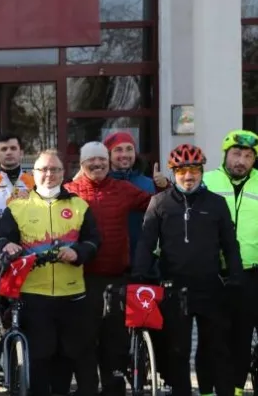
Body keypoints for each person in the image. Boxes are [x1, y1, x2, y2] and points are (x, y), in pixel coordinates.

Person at [133, 144, 241, 396]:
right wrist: (139, 274)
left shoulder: (216, 203)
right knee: (177, 349)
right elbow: (146, 243)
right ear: (173, 173)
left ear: (202, 171)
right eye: (182, 171)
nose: (188, 176)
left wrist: (235, 275)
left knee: (216, 347)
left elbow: (230, 244)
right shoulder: (159, 203)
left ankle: (213, 391)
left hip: (210, 286)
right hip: (174, 287)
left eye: (193, 170)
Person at [0, 149, 101, 396]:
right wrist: (6, 245)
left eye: (55, 169)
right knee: (39, 360)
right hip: (33, 295)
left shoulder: (79, 205)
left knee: (67, 358)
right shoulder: (17, 207)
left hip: (72, 295)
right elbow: (0, 238)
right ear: (34, 173)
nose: (49, 174)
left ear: (63, 173)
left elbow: (94, 241)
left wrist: (79, 253)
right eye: (43, 169)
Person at [63, 142, 158, 395]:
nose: (97, 165)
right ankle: (87, 389)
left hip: (118, 278)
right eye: (91, 161)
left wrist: (164, 186)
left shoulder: (124, 189)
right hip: (82, 279)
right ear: (81, 165)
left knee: (115, 342)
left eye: (102, 160)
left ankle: (114, 389)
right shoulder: (69, 191)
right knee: (85, 340)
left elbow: (156, 204)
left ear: (108, 162)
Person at [199, 130, 258, 396]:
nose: (241, 161)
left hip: (249, 273)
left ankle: (235, 389)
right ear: (225, 154)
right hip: (211, 272)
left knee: (241, 336)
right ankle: (207, 390)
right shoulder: (207, 180)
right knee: (210, 337)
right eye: (237, 154)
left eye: (248, 156)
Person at [103, 132, 168, 260]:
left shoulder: (149, 184)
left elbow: (167, 214)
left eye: (129, 149)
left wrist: (164, 188)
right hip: (110, 261)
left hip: (143, 259)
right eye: (118, 150)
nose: (125, 154)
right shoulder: (102, 185)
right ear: (109, 155)